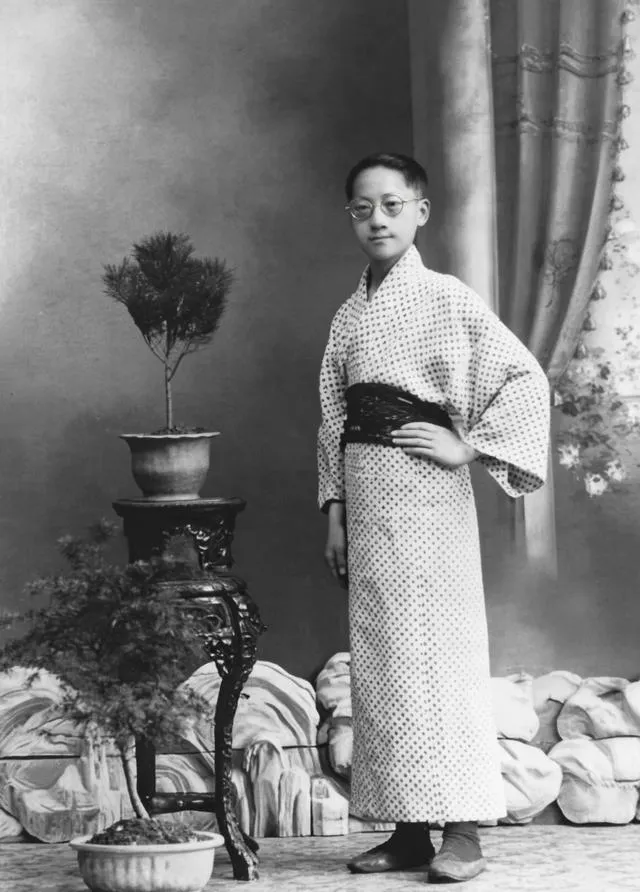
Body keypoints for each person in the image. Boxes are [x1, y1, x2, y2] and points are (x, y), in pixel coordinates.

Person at [317, 152, 550, 883]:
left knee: (441, 658)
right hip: (367, 499)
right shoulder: (349, 315)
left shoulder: (447, 298)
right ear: (351, 218)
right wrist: (334, 513)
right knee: (385, 663)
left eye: (393, 205)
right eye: (363, 208)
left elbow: (523, 377)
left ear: (421, 211)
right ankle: (409, 830)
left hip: (427, 499)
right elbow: (332, 421)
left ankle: (464, 831)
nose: (377, 220)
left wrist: (467, 446)